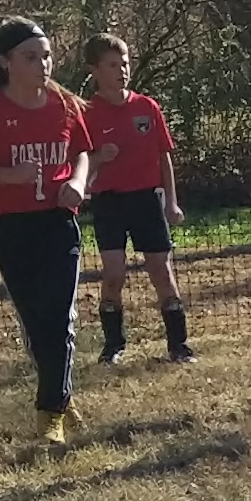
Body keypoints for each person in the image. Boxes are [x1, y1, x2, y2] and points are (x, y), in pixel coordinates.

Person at [0, 17, 95, 448]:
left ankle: (50, 410)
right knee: (37, 319)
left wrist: (78, 183)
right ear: (5, 62)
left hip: (57, 219)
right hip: (9, 223)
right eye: (31, 57)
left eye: (46, 56)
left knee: (61, 317)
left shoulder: (63, 105)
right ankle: (60, 400)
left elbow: (83, 152)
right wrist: (9, 175)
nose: (43, 65)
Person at [79, 34, 193, 366]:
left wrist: (171, 202)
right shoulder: (86, 113)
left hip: (147, 200)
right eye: (113, 65)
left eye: (125, 63)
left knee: (161, 270)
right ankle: (113, 345)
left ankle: (179, 346)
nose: (122, 70)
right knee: (114, 273)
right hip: (109, 202)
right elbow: (80, 164)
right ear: (95, 70)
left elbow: (164, 157)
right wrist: (100, 157)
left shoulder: (147, 107)